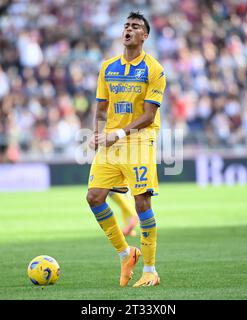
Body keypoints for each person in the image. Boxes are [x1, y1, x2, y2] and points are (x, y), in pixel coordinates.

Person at [86, 11, 166, 287]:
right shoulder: (108, 67)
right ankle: (125, 254)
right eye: (126, 26)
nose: (129, 29)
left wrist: (117, 133)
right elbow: (100, 109)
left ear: (145, 35)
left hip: (139, 140)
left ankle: (151, 270)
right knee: (94, 197)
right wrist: (98, 135)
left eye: (135, 26)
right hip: (111, 141)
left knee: (142, 201)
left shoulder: (154, 70)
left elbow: (149, 116)